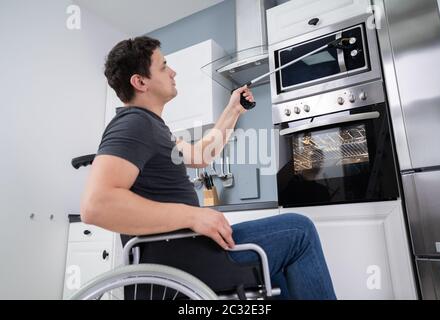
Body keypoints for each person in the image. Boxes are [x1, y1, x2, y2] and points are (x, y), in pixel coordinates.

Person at [80, 36, 336, 300]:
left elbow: (201, 154)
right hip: (186, 261)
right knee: (298, 231)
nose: (173, 71)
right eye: (163, 66)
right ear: (140, 82)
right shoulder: (134, 125)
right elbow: (96, 205)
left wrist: (233, 110)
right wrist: (193, 216)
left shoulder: (153, 127)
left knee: (280, 259)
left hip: (189, 254)